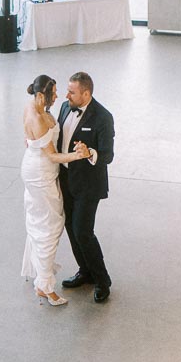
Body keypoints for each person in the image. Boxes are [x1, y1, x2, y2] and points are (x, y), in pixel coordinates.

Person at [21, 74, 93, 306]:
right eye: (53, 94)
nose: (58, 96)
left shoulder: (34, 106)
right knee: (49, 228)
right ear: (42, 95)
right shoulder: (40, 118)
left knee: (40, 222)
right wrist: (78, 155)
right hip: (42, 173)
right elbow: (52, 155)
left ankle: (43, 279)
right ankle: (45, 286)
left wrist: (33, 143)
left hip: (36, 167)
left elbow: (30, 138)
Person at [57, 70, 115, 304]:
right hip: (66, 180)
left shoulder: (103, 117)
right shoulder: (64, 107)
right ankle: (85, 271)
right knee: (70, 227)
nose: (66, 94)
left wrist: (89, 152)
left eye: (71, 92)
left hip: (89, 185)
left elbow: (108, 155)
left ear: (86, 93)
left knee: (83, 231)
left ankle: (102, 281)